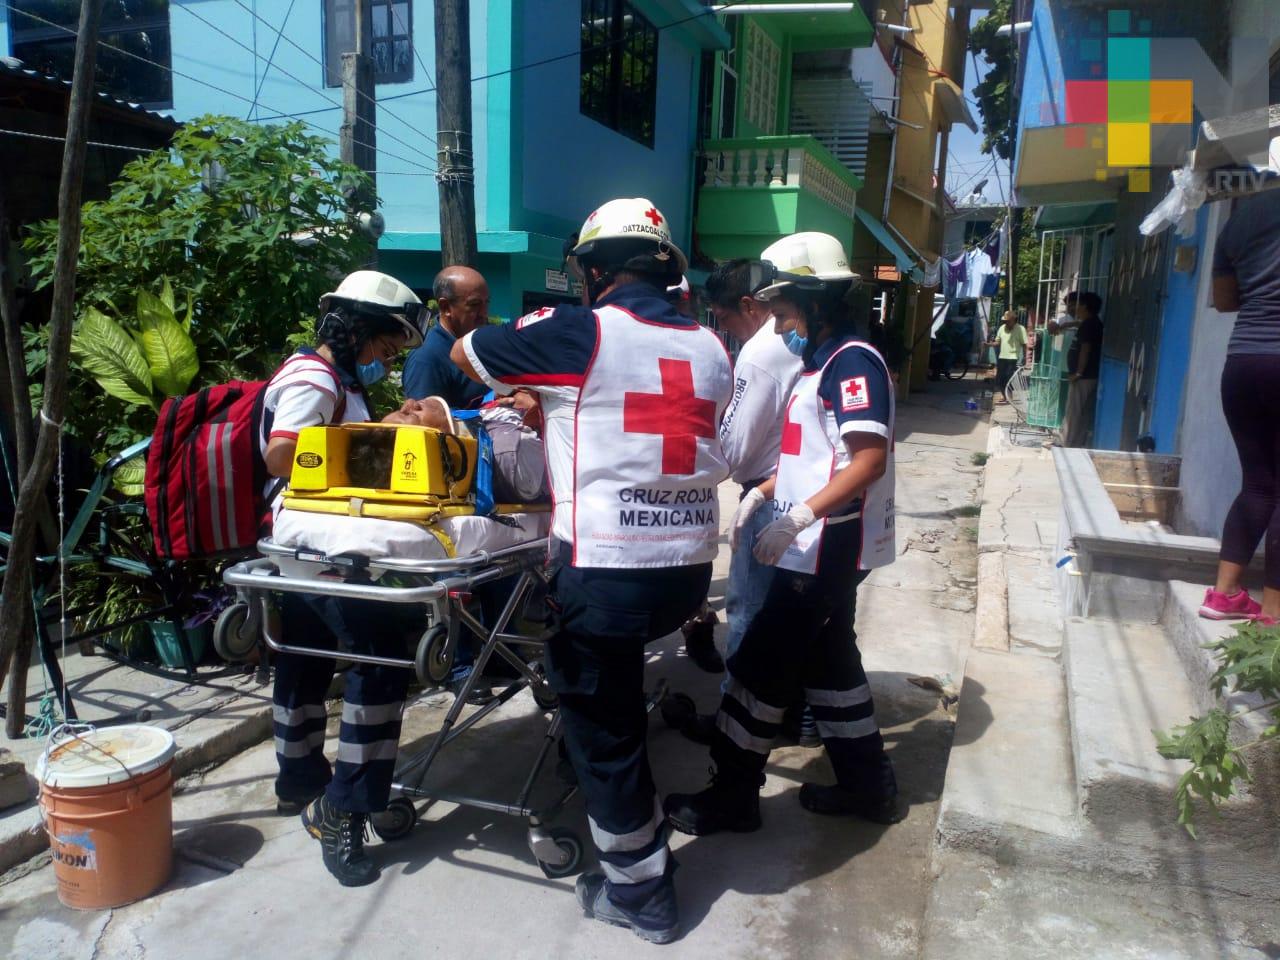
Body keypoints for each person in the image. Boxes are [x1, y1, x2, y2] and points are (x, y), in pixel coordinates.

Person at [451, 197, 732, 944]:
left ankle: (642, 895)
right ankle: (623, 809)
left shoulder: (581, 330)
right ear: (666, 268)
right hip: (686, 574)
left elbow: (466, 354)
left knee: (604, 731)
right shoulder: (709, 345)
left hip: (607, 569)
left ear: (595, 271)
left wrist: (539, 380)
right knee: (612, 691)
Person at [664, 230, 903, 838]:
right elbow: (814, 454)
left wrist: (799, 516)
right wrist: (768, 493)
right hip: (813, 539)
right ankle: (868, 784)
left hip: (826, 545)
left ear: (817, 301)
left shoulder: (852, 361)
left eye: (785, 309)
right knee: (830, 664)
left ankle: (733, 795)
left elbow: (867, 459)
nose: (778, 322)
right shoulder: (816, 363)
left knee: (759, 666)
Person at [261, 270, 428, 887]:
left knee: (305, 657)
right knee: (380, 658)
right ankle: (346, 810)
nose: (385, 358)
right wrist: (374, 438)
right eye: (384, 346)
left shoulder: (336, 380)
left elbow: (333, 445)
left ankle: (299, 778)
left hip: (312, 541)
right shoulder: (312, 376)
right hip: (315, 541)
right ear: (358, 329)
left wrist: (381, 425)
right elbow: (284, 455)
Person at [680, 256, 806, 743]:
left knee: (749, 614)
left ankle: (736, 725)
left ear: (750, 306)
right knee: (792, 616)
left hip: (768, 497)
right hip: (798, 494)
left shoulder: (760, 353)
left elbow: (733, 448)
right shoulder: (798, 343)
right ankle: (791, 715)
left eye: (724, 318)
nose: (724, 330)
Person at [1199, 190, 1280, 625]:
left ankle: (1225, 594)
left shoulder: (1243, 216)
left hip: (1244, 363)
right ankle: (1273, 614)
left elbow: (1226, 299)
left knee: (1259, 484)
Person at [383, 394, 550, 504]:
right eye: (410, 415)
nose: (410, 403)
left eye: (399, 409)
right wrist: (542, 402)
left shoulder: (475, 430)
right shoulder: (510, 455)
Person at [403, 265, 492, 407]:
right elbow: (426, 423)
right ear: (445, 307)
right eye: (474, 304)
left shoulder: (481, 344)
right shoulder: (427, 358)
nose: (484, 313)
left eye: (486, 303)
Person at [1053, 291, 1103, 447]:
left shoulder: (1089, 325)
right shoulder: (1089, 323)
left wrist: (1078, 373)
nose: (1074, 308)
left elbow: (1085, 349)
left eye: (1077, 304)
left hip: (1084, 376)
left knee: (1073, 411)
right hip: (1086, 375)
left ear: (1085, 306)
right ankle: (1075, 442)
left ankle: (1064, 442)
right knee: (1080, 411)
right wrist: (1070, 324)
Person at [988, 310, 1027, 401]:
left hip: (1013, 357)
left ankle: (1009, 395)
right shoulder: (1002, 328)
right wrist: (988, 344)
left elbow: (1024, 344)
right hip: (1002, 356)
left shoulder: (1020, 329)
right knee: (1000, 378)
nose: (1006, 323)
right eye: (1005, 321)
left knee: (1008, 377)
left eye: (1008, 321)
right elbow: (998, 342)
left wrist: (1025, 357)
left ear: (1014, 320)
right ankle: (1004, 395)